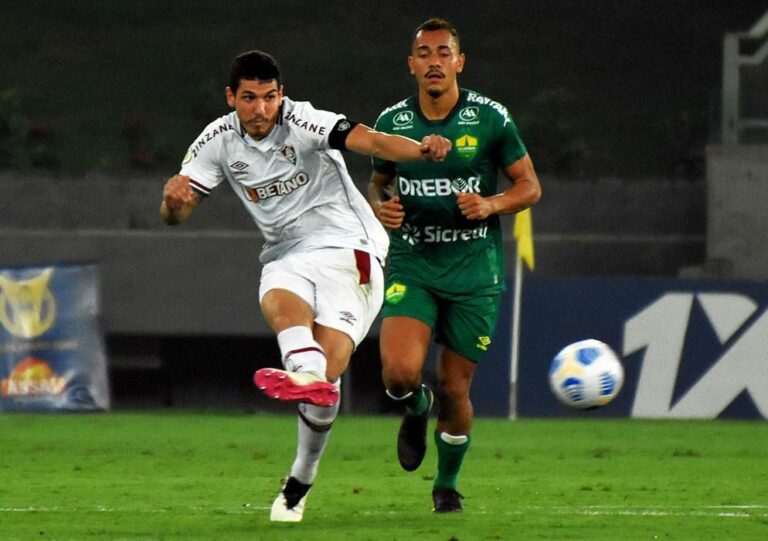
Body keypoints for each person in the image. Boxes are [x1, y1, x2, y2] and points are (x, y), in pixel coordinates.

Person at [160, 50, 451, 522]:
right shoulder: (216, 140)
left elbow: (369, 140)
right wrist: (173, 203)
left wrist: (420, 150)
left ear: (281, 95)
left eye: (270, 97)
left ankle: (301, 474)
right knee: (276, 296)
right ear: (232, 97)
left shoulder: (307, 121)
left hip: (350, 246)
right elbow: (177, 211)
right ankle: (303, 375)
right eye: (250, 99)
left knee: (328, 370)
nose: (261, 109)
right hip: (286, 254)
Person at [368, 18, 541, 513]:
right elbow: (378, 184)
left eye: (443, 52)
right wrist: (383, 205)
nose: (434, 61)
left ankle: (446, 484)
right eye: (424, 53)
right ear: (412, 66)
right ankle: (413, 406)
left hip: (473, 272)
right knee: (400, 373)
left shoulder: (490, 118)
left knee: (454, 387)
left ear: (459, 62)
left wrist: (490, 206)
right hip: (415, 261)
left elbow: (530, 187)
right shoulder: (393, 122)